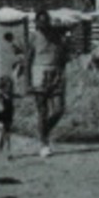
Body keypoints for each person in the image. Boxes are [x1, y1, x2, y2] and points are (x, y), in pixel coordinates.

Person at [28, 10, 68, 158]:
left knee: (59, 109)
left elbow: (63, 55)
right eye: (41, 21)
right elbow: (28, 58)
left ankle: (44, 132)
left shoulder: (57, 37)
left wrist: (61, 71)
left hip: (55, 73)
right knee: (42, 111)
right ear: (37, 23)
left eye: (46, 21)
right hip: (39, 73)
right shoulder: (33, 37)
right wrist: (27, 81)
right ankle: (44, 143)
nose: (44, 24)